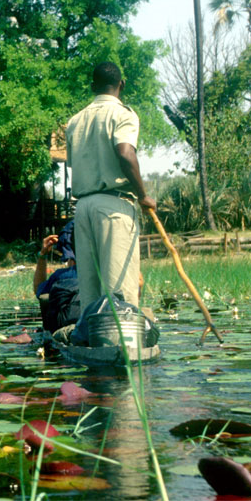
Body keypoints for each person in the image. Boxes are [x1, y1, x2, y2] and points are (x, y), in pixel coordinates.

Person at [65, 62, 156, 320]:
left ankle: (93, 345)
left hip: (83, 208)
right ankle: (121, 349)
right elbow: (125, 153)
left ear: (93, 87)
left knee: (90, 295)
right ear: (121, 86)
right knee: (119, 294)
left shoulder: (75, 121)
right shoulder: (124, 114)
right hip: (114, 207)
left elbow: (75, 164)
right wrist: (143, 196)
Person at [33, 221, 81, 333]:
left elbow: (38, 290)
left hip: (68, 329)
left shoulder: (63, 276)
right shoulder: (109, 272)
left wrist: (43, 255)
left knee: (45, 298)